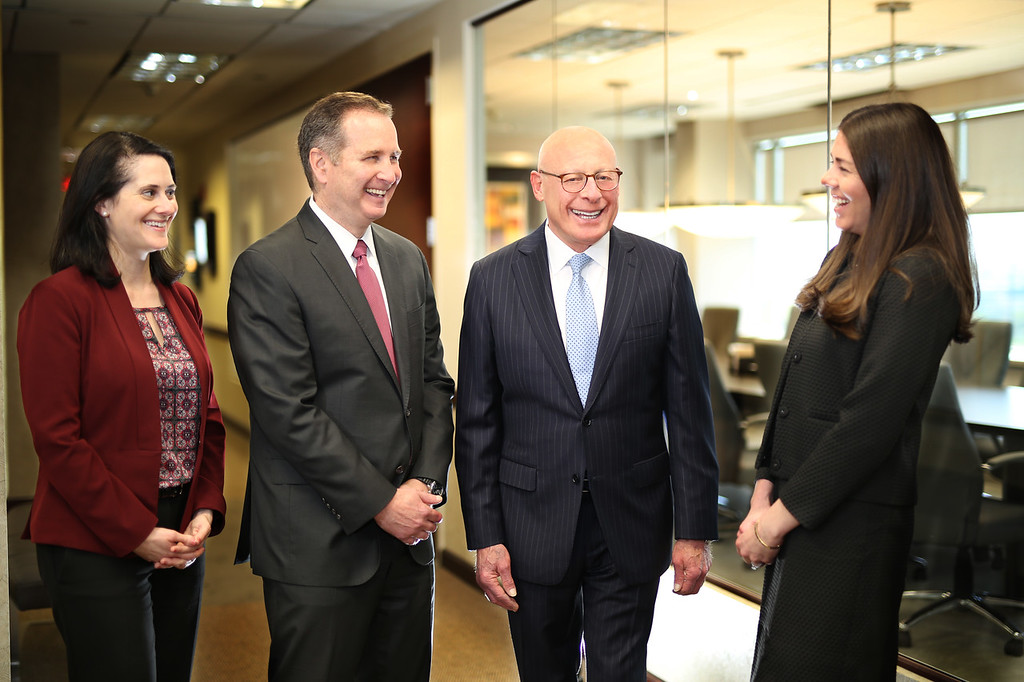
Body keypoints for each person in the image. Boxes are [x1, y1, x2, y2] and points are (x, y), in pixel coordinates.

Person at [455, 126, 719, 681]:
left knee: (620, 673)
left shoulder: (662, 272)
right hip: (531, 525)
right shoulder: (492, 279)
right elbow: (478, 421)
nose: (591, 193)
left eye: (604, 177)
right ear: (538, 186)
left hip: (632, 519)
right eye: (572, 178)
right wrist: (485, 536)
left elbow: (690, 412)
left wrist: (693, 531)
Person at [735, 102, 979, 679]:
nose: (827, 180)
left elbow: (868, 424)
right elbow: (793, 389)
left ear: (890, 177)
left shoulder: (922, 277)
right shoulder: (847, 256)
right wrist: (763, 492)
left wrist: (775, 522)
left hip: (850, 528)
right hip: (801, 511)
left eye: (841, 167)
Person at [227, 91, 455, 681]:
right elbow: (287, 411)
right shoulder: (269, 266)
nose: (391, 174)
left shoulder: (407, 260)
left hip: (409, 541)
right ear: (321, 163)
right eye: (372, 157)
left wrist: (422, 491)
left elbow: (433, 383)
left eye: (396, 157)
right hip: (318, 544)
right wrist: (382, 503)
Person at [17, 131, 227, 682]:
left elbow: (206, 414)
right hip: (94, 538)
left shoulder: (179, 297)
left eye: (172, 191)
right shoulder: (60, 301)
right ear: (102, 203)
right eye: (150, 192)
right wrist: (137, 531)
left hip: (179, 534)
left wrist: (204, 508)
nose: (168, 207)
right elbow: (57, 439)